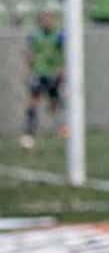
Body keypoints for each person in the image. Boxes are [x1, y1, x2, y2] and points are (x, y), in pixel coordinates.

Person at [20, 10, 62, 150]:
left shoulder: (59, 35)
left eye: (49, 19)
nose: (47, 21)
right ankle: (29, 132)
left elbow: (64, 52)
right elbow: (29, 53)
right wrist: (28, 70)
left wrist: (62, 69)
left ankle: (60, 127)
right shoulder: (35, 36)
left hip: (53, 74)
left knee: (54, 103)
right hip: (39, 73)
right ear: (40, 21)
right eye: (44, 19)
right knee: (33, 102)